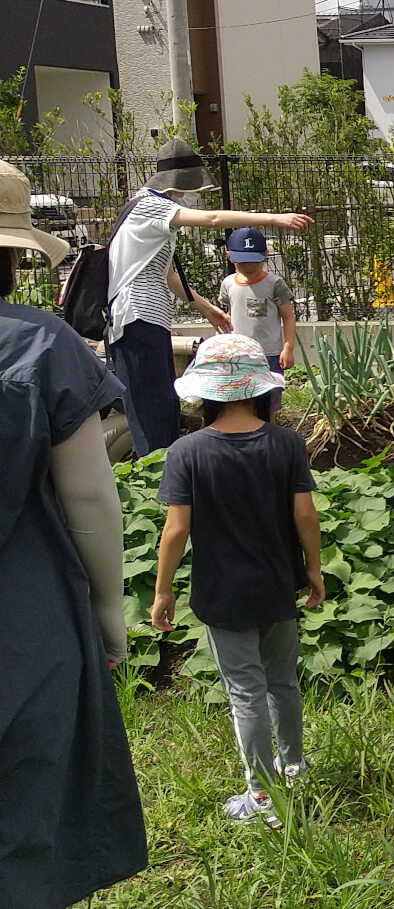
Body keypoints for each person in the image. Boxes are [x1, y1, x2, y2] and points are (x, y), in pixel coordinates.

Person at [0, 160, 148, 907]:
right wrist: (108, 614)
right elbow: (90, 496)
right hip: (25, 624)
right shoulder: (38, 345)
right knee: (27, 826)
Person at [149, 334, 323, 827]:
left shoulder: (188, 452)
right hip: (277, 584)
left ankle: (262, 797)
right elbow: (306, 515)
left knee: (245, 691)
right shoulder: (287, 443)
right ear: (260, 390)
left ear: (206, 392)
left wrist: (163, 590)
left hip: (222, 592)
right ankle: (295, 770)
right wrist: (312, 567)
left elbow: (176, 529)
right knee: (282, 681)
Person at [107, 139, 312, 457]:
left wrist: (207, 309)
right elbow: (212, 220)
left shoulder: (150, 208)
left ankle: (162, 471)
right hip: (136, 317)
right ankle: (155, 474)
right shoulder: (150, 206)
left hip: (147, 319)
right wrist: (273, 219)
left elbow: (167, 274)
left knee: (162, 399)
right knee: (150, 403)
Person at [218, 227, 297, 415]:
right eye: (242, 261)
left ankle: (270, 433)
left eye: (254, 260)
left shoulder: (275, 284)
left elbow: (288, 316)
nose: (249, 266)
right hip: (239, 354)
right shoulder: (228, 284)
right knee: (241, 399)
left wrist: (288, 347)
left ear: (265, 255)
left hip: (269, 354)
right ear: (229, 256)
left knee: (269, 401)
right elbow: (228, 315)